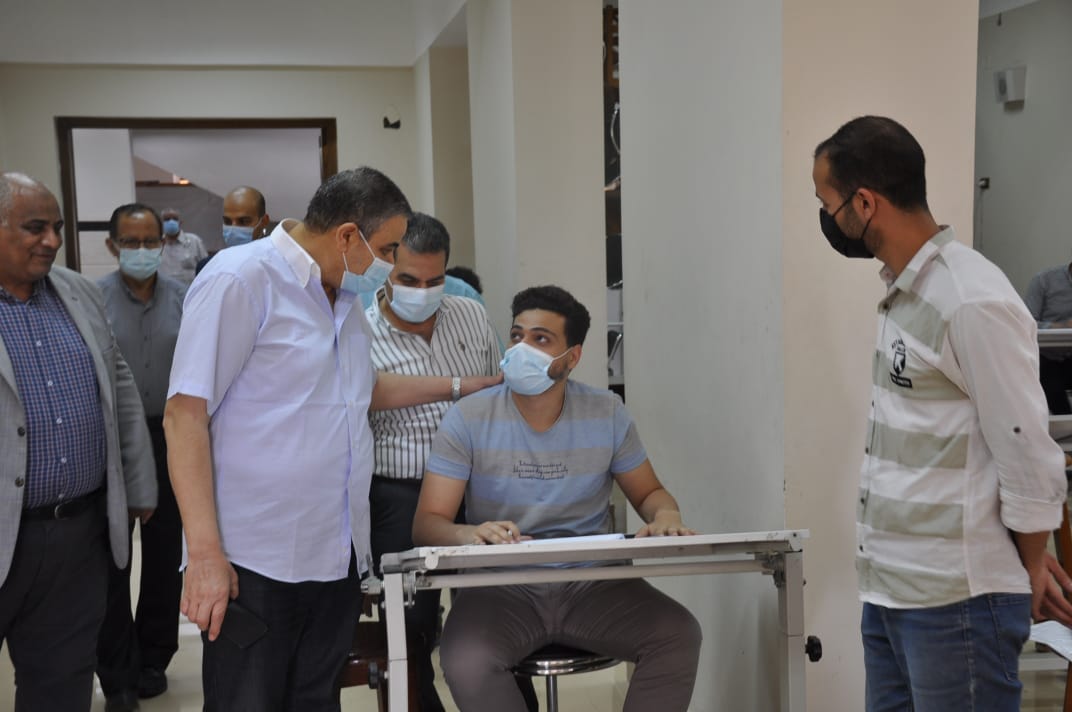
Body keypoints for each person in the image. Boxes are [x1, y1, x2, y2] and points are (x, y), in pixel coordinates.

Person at [164, 167, 500, 711]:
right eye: (386, 250)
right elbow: (184, 416)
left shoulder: (340, 297)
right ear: (347, 236)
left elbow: (361, 390)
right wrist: (204, 555)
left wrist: (463, 385)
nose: (389, 264)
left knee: (316, 701)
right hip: (257, 561)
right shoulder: (241, 280)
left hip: (334, 555)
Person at [812, 115, 1072, 711]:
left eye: (827, 204)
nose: (826, 218)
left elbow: (1027, 450)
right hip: (890, 591)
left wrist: (1030, 564)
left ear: (865, 203)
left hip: (956, 603)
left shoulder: (971, 299)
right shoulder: (906, 291)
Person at [412, 285, 703, 712]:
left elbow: (650, 493)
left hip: (594, 585)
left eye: (541, 339)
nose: (522, 348)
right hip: (499, 588)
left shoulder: (606, 412)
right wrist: (469, 533)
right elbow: (427, 523)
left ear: (572, 357)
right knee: (466, 662)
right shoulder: (468, 418)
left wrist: (666, 514)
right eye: (517, 336)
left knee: (678, 635)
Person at [0, 172, 156, 712]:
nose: (51, 241)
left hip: (77, 534)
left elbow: (120, 389)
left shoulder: (78, 293)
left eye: (57, 227)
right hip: (5, 529)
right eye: (34, 228)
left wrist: (139, 484)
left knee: (61, 683)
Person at [365, 213, 502, 712]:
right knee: (411, 626)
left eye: (434, 280)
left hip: (475, 491)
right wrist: (458, 386)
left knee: (493, 617)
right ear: (386, 268)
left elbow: (497, 393)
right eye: (409, 279)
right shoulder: (359, 331)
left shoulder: (470, 315)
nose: (422, 292)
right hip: (400, 492)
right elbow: (364, 397)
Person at [96, 203, 187, 710]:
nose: (142, 250)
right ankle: (117, 671)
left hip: (173, 435)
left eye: (150, 241)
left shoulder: (185, 297)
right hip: (111, 439)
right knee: (113, 555)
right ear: (112, 246)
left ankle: (154, 657)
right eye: (130, 242)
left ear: (163, 243)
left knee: (164, 554)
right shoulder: (93, 300)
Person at [1024, 263, 1072, 414]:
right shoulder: (1043, 280)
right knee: (1057, 400)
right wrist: (1062, 326)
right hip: (1045, 356)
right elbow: (1026, 323)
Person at [194, 185, 270, 274]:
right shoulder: (207, 266)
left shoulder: (276, 265)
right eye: (228, 221)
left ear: (264, 221)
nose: (233, 229)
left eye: (243, 221)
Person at [158, 207, 207, 285]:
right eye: (167, 219)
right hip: (164, 290)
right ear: (161, 223)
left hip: (190, 289)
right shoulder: (157, 244)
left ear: (180, 222)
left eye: (175, 219)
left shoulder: (194, 241)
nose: (171, 222)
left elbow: (206, 267)